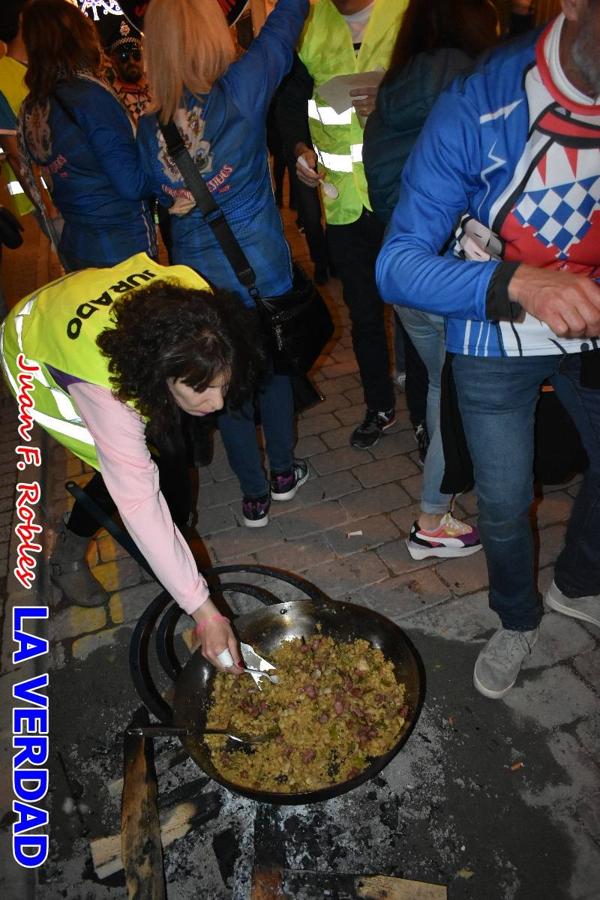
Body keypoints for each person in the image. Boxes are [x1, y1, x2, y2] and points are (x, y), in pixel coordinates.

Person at [377, 0, 600, 699]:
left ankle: (577, 580)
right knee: (503, 503)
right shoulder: (479, 100)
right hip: (494, 329)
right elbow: (397, 265)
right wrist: (519, 282)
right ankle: (515, 617)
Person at [0, 253, 265, 672]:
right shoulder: (107, 392)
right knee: (121, 473)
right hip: (36, 346)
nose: (217, 403)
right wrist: (205, 611)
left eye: (222, 384)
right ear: (160, 373)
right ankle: (68, 551)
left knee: (169, 455)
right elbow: (139, 501)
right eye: (201, 389)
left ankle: (174, 538)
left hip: (96, 305)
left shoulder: (200, 311)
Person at [136, 0, 310, 528]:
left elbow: (146, 190)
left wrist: (180, 195)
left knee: (222, 381)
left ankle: (253, 494)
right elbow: (284, 24)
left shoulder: (149, 129)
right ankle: (282, 472)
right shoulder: (242, 88)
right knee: (274, 368)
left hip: (202, 281)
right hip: (262, 266)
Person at [364, 0, 500, 560]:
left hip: (404, 264)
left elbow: (379, 187)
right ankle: (431, 518)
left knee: (446, 382)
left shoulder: (389, 94)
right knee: (459, 389)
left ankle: (440, 504)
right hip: (453, 267)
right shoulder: (470, 82)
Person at [276, 0, 409, 450]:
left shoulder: (407, 12)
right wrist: (297, 149)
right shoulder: (310, 23)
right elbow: (290, 103)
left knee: (418, 312)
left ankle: (431, 415)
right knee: (364, 314)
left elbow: (443, 89)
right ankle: (380, 405)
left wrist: (391, 99)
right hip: (346, 205)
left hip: (404, 196)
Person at [17, 0, 155, 271]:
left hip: (76, 246)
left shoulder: (31, 107)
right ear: (79, 36)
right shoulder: (89, 95)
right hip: (123, 249)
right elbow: (132, 184)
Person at [103, 17, 151, 126]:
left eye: (136, 55)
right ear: (113, 61)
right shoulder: (113, 99)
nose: (131, 61)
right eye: (124, 57)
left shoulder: (157, 85)